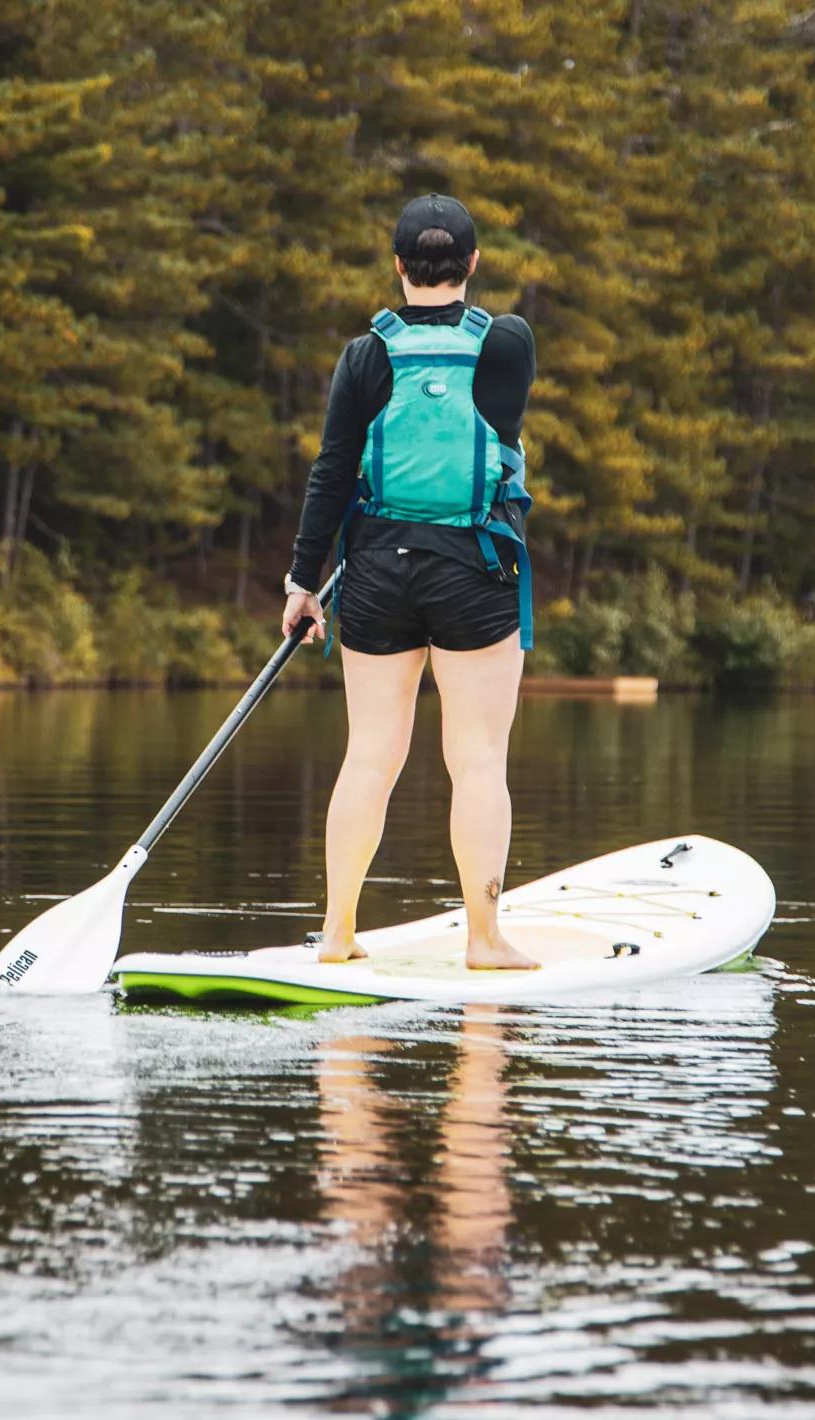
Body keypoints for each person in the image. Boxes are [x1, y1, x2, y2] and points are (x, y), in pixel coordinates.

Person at [281, 193, 538, 970]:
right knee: (479, 759)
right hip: (475, 567)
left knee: (369, 755)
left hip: (377, 571)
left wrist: (302, 580)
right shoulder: (509, 344)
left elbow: (331, 472)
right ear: (473, 263)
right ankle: (485, 940)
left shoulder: (365, 356)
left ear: (397, 267)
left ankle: (336, 934)